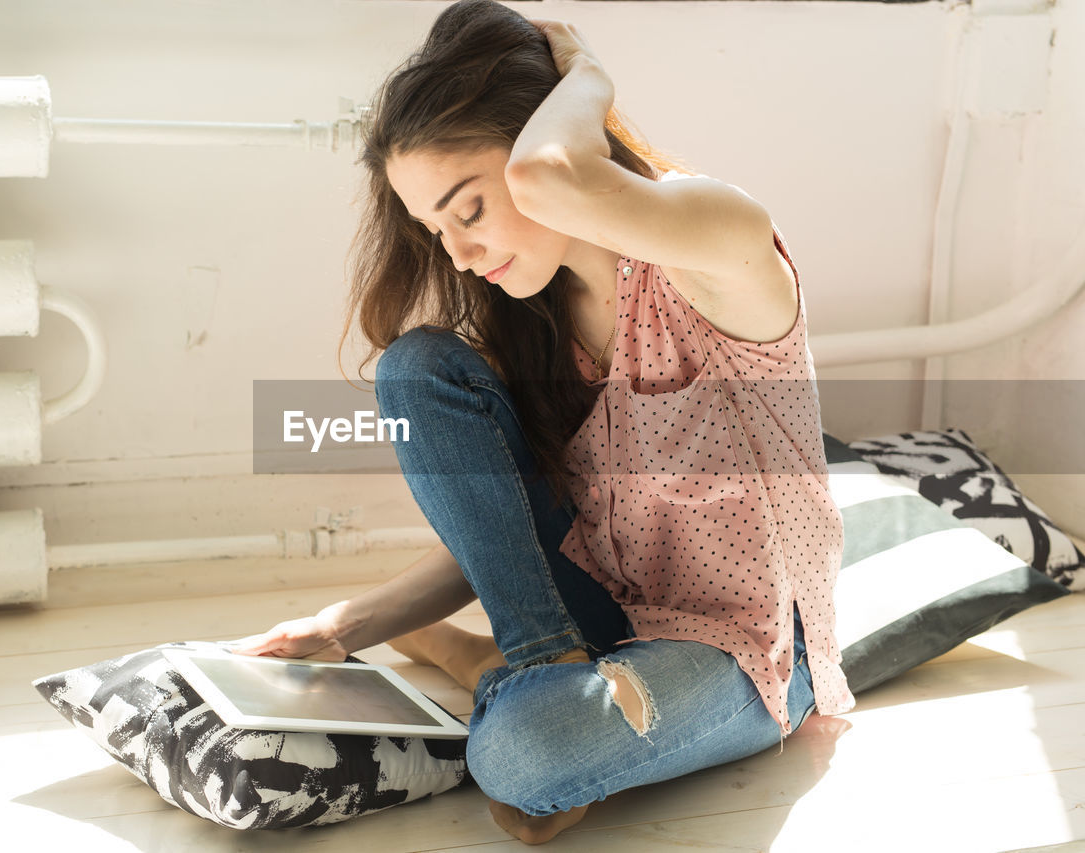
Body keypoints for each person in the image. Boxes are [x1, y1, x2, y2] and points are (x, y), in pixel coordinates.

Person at [231, 0, 856, 843]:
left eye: (471, 208)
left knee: (526, 756)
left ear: (543, 148)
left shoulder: (717, 235)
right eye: (433, 227)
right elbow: (515, 530)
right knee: (417, 365)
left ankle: (492, 668)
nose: (455, 253)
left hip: (751, 651)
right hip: (599, 617)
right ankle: (538, 663)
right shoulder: (534, 321)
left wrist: (587, 77)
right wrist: (349, 625)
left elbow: (553, 181)